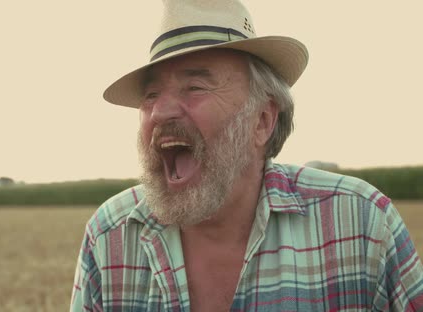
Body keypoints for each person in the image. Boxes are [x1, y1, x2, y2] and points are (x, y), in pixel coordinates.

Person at [70, 0, 423, 311]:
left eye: (195, 87)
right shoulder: (110, 238)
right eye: (150, 96)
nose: (160, 113)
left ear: (262, 120)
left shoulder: (361, 225)